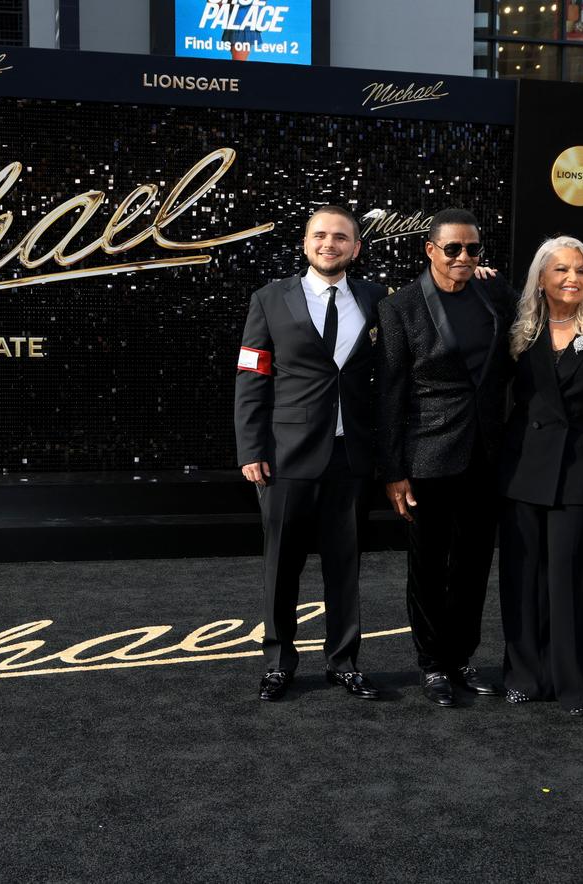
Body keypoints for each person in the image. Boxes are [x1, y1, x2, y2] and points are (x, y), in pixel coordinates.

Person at [376, 209, 583, 708]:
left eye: (473, 249)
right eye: (453, 249)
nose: (464, 258)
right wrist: (393, 470)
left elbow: (557, 296)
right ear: (430, 250)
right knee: (429, 565)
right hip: (428, 454)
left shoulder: (495, 295)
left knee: (474, 565)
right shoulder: (401, 307)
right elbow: (389, 393)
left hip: (491, 456)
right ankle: (433, 666)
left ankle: (463, 658)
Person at [235, 205, 385, 702]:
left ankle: (343, 662)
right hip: (285, 456)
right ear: (305, 243)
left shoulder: (376, 298)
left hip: (351, 457)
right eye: (320, 235)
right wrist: (252, 447)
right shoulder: (268, 299)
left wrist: (484, 279)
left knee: (346, 566)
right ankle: (278, 663)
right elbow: (252, 377)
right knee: (281, 565)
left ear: (356, 248)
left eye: (341, 237)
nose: (329, 244)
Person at [498, 236, 583, 717]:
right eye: (561, 270)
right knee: (521, 576)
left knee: (571, 578)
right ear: (541, 277)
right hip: (523, 468)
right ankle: (524, 676)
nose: (572, 278)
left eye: (580, 269)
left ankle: (580, 687)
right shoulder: (520, 329)